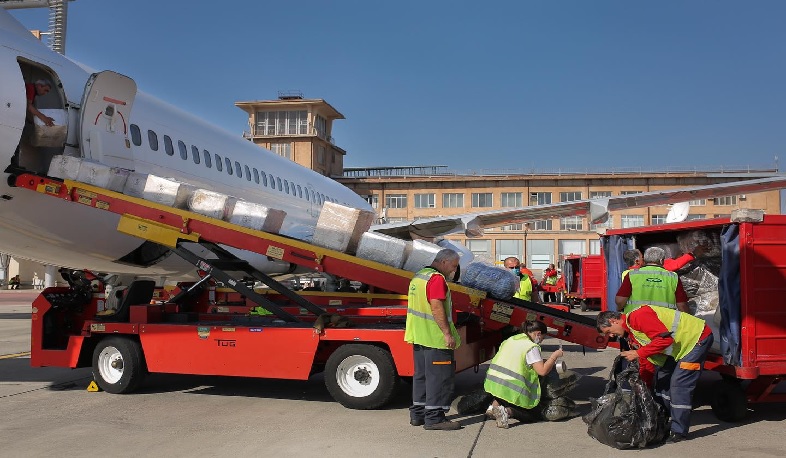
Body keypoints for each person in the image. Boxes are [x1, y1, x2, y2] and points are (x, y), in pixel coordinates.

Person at [596, 307, 714, 443]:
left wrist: (637, 353)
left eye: (609, 332)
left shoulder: (638, 317)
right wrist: (644, 387)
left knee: (679, 384)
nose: (611, 336)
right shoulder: (632, 335)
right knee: (662, 379)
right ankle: (662, 419)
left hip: (697, 339)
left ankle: (679, 431)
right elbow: (647, 361)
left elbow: (665, 341)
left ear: (613, 321)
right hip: (683, 347)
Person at [405, 248, 462, 431]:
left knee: (421, 377)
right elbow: (436, 306)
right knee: (439, 379)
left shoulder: (419, 276)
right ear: (444, 262)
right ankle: (435, 418)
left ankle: (418, 414)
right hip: (435, 338)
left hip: (419, 336)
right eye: (453, 266)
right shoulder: (436, 279)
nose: (453, 270)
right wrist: (447, 333)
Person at [483, 320, 564, 428]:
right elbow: (542, 371)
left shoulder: (511, 339)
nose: (541, 341)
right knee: (533, 414)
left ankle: (493, 407)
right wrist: (554, 356)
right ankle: (506, 412)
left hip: (494, 384)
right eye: (542, 338)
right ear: (538, 334)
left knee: (503, 393)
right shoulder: (531, 347)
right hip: (511, 388)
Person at [616, 246, 688, 315]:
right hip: (663, 322)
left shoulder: (631, 275)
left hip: (636, 322)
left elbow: (620, 301)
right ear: (661, 261)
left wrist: (620, 309)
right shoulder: (673, 277)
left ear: (645, 259)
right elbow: (682, 305)